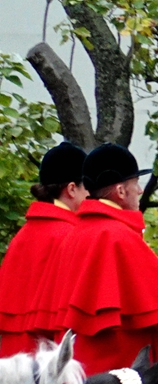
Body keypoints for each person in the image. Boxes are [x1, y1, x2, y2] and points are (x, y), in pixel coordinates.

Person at [51, 144, 158, 374]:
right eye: (136, 183)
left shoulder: (74, 234)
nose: (140, 190)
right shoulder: (119, 237)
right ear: (121, 191)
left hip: (79, 380)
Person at [0, 143, 87, 357]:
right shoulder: (72, 236)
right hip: (47, 367)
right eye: (88, 189)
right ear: (72, 189)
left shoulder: (23, 234)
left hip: (10, 364)